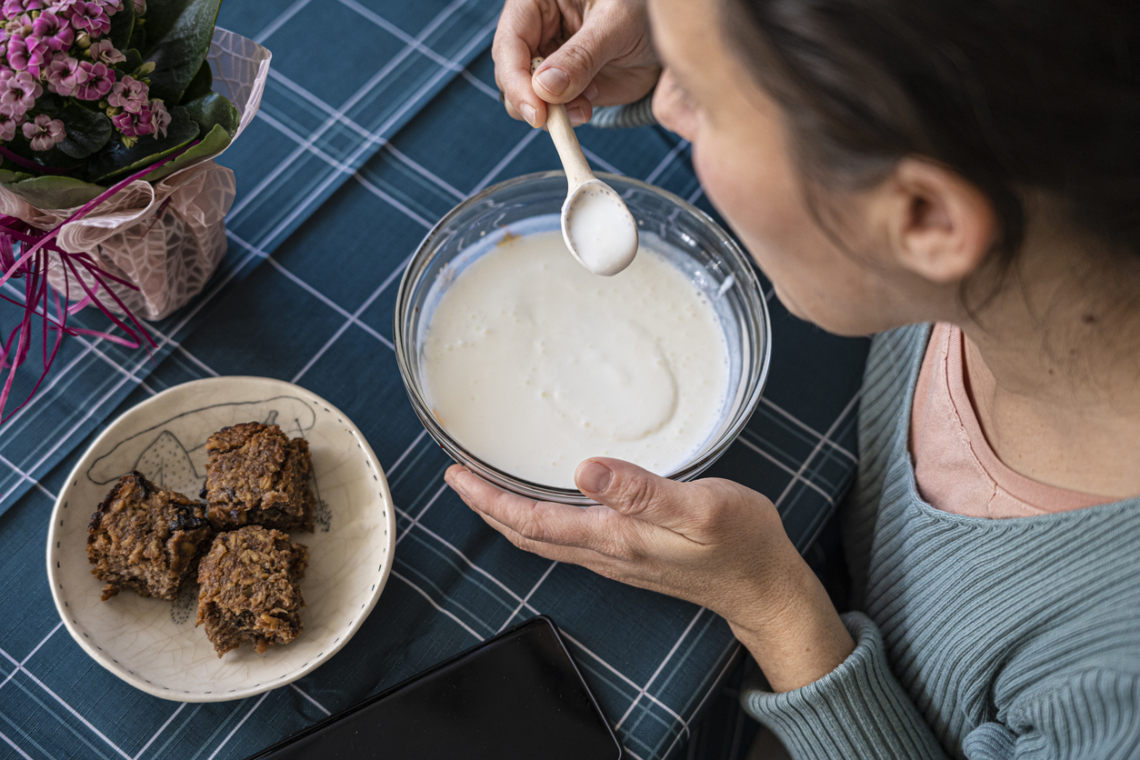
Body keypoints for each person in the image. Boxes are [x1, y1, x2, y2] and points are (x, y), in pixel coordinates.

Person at [444, 0, 1140, 757]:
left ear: (926, 219)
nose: (670, 108)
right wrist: (693, 37)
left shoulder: (1111, 690)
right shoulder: (1043, 233)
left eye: (700, 99)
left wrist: (772, 604)